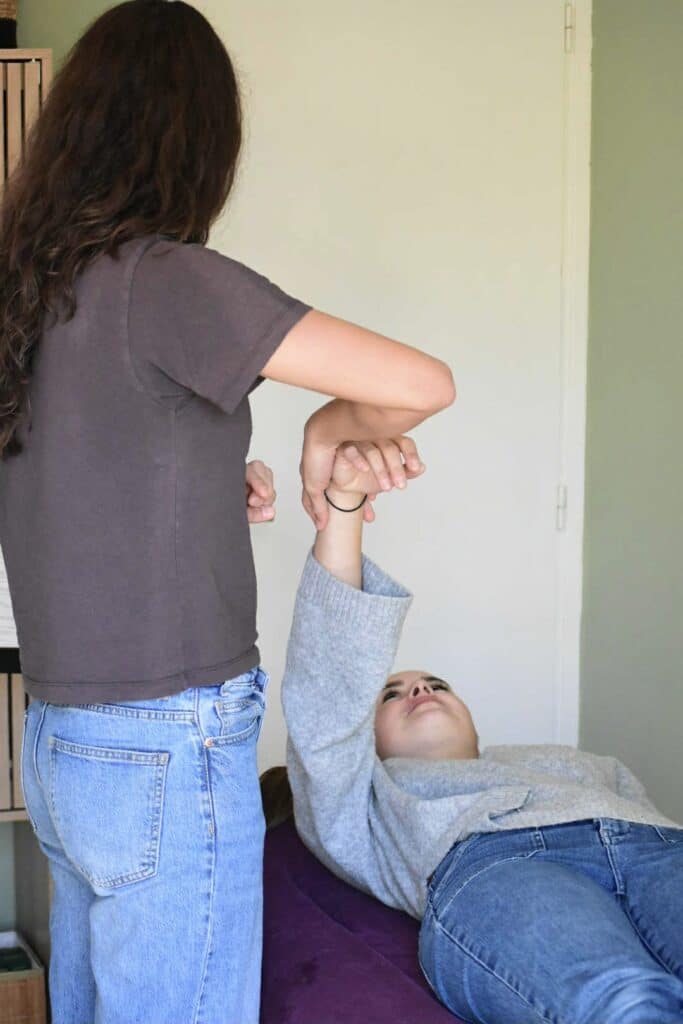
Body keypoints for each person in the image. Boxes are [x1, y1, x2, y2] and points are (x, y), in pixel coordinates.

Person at [0, 3, 455, 1022]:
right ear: (196, 141)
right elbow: (422, 381)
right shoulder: (166, 280)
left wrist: (211, 473)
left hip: (65, 745)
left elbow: (80, 474)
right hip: (166, 741)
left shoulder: (34, 297)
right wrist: (324, 426)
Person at [282, 438, 683, 1024]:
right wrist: (344, 506)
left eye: (435, 684)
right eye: (392, 695)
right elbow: (328, 693)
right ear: (366, 743)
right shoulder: (366, 800)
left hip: (655, 846)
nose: (419, 691)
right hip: (500, 866)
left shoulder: (566, 761)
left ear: (473, 723)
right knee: (624, 1003)